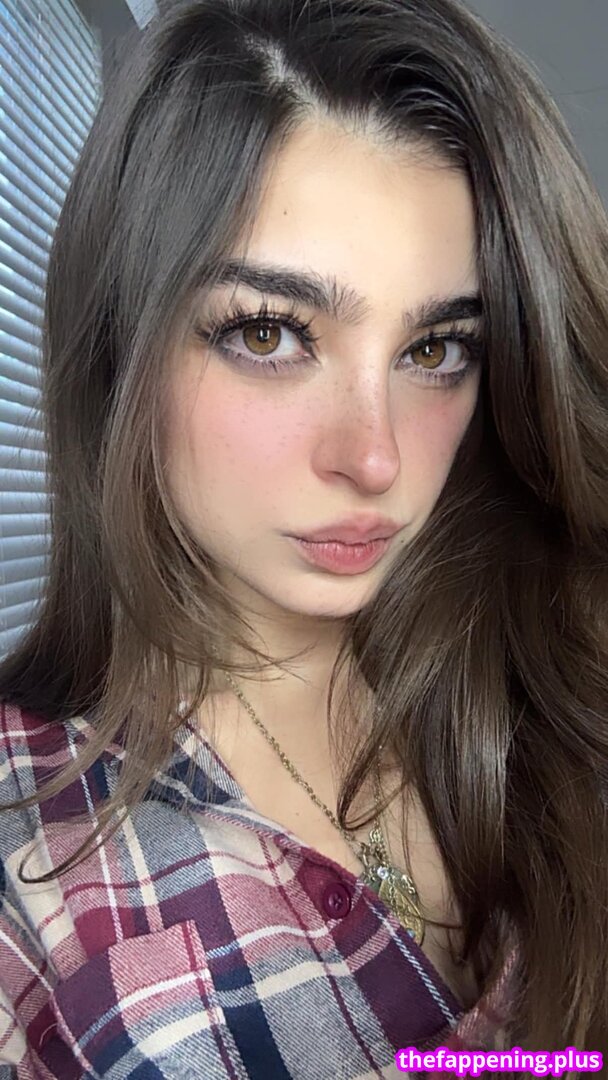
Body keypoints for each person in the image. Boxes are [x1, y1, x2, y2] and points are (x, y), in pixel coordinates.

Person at [0, 0, 607, 1076]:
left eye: (435, 349)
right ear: (120, 346)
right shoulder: (26, 849)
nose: (375, 458)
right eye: (269, 332)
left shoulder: (553, 665)